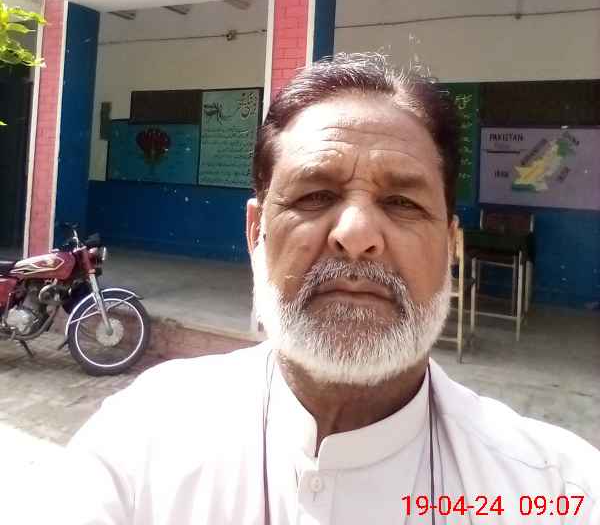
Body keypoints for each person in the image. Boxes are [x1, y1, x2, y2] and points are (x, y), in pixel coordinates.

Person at [57, 53, 599, 524]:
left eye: (402, 203)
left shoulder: (554, 491)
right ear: (256, 232)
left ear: (449, 246)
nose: (356, 235)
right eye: (314, 196)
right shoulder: (141, 441)